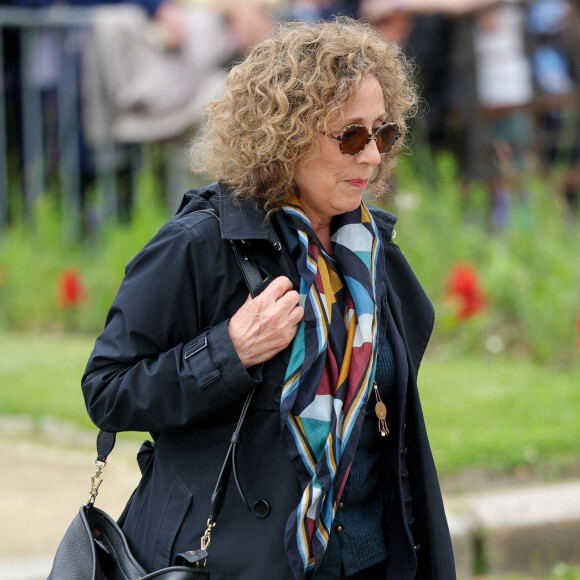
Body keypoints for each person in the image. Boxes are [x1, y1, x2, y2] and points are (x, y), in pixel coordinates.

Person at [82, 16, 456, 580]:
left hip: (371, 558)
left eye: (384, 132)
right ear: (286, 134)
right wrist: (228, 350)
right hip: (237, 562)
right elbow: (106, 391)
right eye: (351, 135)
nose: (373, 156)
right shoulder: (201, 243)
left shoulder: (372, 250)